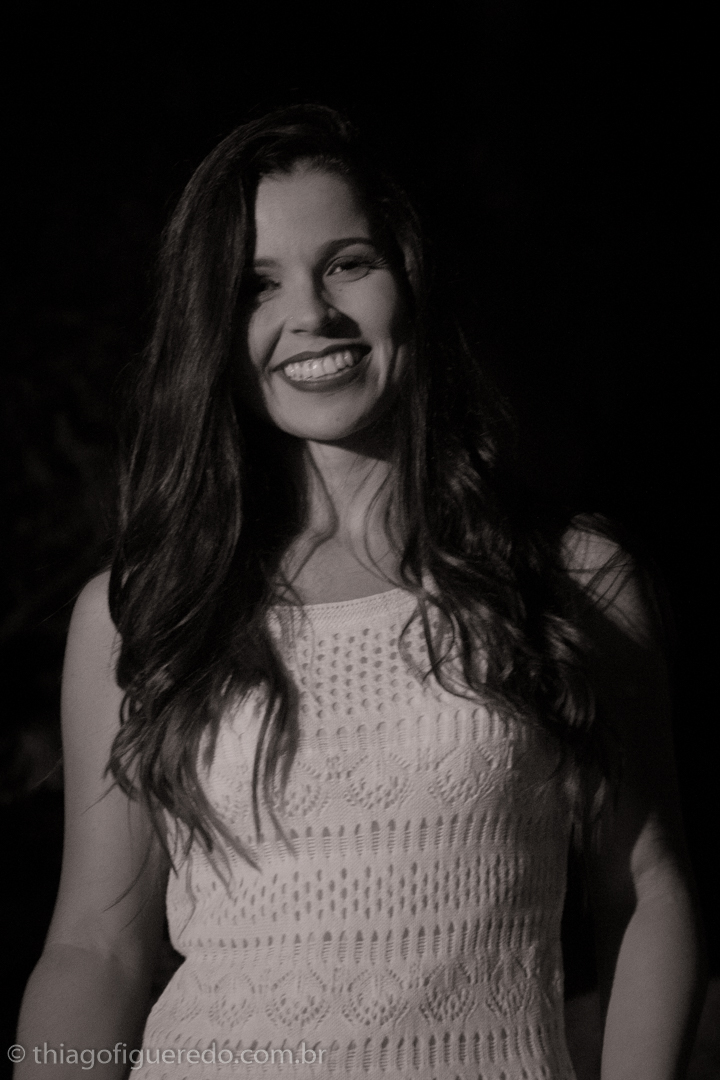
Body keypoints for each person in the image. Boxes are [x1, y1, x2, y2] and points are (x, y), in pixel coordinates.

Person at [15, 105, 705, 1079]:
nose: (313, 315)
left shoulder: (569, 576)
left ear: (409, 279)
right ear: (212, 329)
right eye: (257, 286)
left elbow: (648, 898)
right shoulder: (144, 608)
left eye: (346, 263)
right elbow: (96, 947)